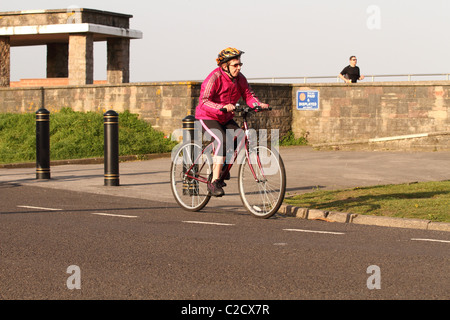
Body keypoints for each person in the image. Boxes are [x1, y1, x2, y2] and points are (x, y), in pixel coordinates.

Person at [195, 47, 269, 197]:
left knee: (240, 135)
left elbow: (248, 95)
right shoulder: (214, 78)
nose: (239, 67)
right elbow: (203, 101)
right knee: (222, 139)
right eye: (235, 65)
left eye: (240, 64)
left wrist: (257, 105)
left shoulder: (240, 79)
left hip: (226, 117)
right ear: (225, 66)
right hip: (208, 117)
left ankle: (221, 167)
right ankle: (214, 181)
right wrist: (221, 107)